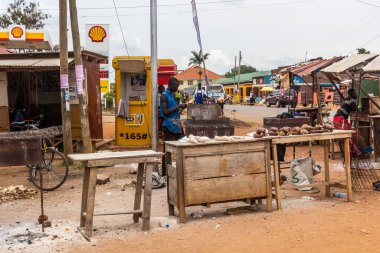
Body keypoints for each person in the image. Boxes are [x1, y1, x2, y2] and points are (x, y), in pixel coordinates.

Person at [333, 88, 365, 156]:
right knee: (348, 135)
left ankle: (353, 150)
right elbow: (356, 110)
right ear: (351, 94)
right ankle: (356, 151)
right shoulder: (352, 101)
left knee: (352, 132)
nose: (356, 94)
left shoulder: (348, 100)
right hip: (339, 119)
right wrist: (362, 110)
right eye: (355, 93)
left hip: (340, 119)